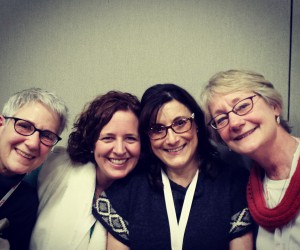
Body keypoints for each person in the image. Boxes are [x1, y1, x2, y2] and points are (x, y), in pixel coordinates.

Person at [93, 83, 253, 250]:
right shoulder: (127, 189)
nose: (171, 139)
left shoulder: (233, 183)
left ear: (197, 123)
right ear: (147, 136)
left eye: (180, 123)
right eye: (157, 129)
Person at [200, 69, 300, 249]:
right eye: (221, 119)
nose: (235, 123)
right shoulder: (245, 187)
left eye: (243, 106)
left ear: (274, 106)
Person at [30, 90, 141, 250]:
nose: (119, 150)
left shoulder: (149, 196)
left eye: (130, 138)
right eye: (108, 138)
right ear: (91, 141)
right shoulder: (55, 166)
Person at [0, 87, 68, 250]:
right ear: (1, 125)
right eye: (24, 126)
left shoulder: (26, 203)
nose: (33, 143)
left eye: (47, 136)